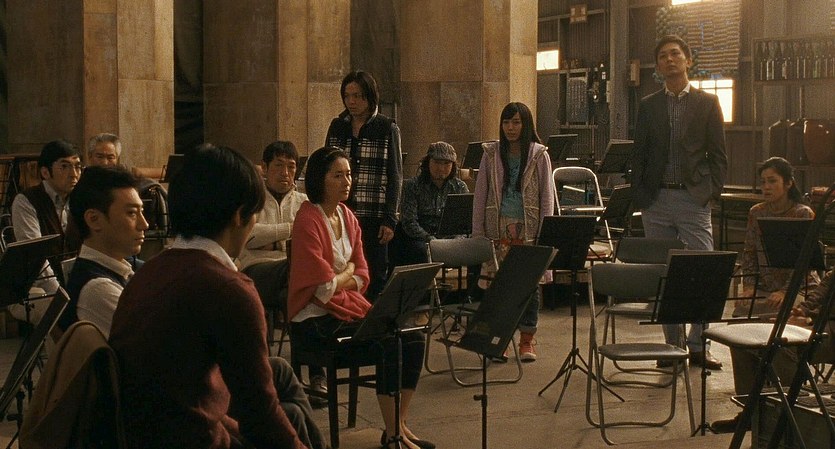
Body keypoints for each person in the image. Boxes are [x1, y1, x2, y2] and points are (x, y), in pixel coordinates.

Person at [109, 144, 325, 449]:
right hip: (191, 438)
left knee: (286, 395)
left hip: (144, 431)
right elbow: (258, 415)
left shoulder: (148, 273)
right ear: (239, 216)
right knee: (285, 415)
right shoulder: (229, 289)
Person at [288, 147, 433, 449]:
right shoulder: (307, 219)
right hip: (314, 321)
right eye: (338, 175)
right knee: (388, 341)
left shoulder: (348, 216)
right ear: (320, 179)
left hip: (345, 310)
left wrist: (342, 277)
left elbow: (364, 275)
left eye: (349, 174)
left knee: (414, 338)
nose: (347, 181)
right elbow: (322, 289)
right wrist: (347, 273)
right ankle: (393, 435)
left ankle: (398, 425)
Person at [631, 35, 728, 370]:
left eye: (675, 54)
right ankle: (672, 347)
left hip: (693, 198)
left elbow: (718, 155)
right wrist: (641, 194)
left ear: (688, 60)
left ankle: (699, 344)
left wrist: (711, 192)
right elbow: (639, 154)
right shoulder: (649, 105)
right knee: (664, 273)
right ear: (658, 66)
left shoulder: (707, 103)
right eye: (663, 56)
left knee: (703, 269)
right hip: (656, 199)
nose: (669, 59)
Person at [237, 141, 326, 404]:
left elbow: (318, 240)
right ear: (264, 168)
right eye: (278, 166)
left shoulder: (305, 202)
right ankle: (305, 376)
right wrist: (292, 230)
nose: (285, 173)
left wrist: (273, 240)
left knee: (298, 294)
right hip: (256, 270)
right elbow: (249, 236)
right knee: (301, 277)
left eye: (291, 167)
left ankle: (301, 377)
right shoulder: (252, 198)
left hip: (291, 277)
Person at [472, 102, 554, 362]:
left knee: (529, 287)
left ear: (525, 124)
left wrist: (545, 233)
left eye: (516, 122)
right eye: (506, 122)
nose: (510, 128)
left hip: (529, 228)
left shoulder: (539, 155)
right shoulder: (491, 154)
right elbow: (480, 195)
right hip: (497, 228)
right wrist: (478, 233)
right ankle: (500, 339)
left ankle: (527, 340)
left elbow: (547, 197)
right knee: (498, 288)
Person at [712, 269, 835, 433]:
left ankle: (787, 417)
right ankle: (751, 413)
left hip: (829, 327)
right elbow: (820, 292)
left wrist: (809, 318)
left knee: (782, 346)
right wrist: (800, 311)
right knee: (745, 343)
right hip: (819, 321)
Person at [325, 70, 402, 301]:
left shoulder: (387, 128)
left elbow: (395, 175)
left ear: (369, 96)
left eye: (357, 96)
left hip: (374, 212)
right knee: (344, 270)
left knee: (375, 274)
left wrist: (390, 218)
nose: (352, 102)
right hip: (341, 212)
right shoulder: (338, 126)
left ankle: (372, 319)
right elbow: (325, 167)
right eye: (347, 96)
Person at [59, 166, 148, 337]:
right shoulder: (97, 289)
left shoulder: (119, 270)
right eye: (131, 213)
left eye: (141, 212)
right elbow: (154, 346)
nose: (144, 224)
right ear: (94, 220)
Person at [733, 157, 819, 319]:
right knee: (742, 311)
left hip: (800, 287)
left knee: (783, 312)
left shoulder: (802, 213)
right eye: (763, 182)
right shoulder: (756, 212)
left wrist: (785, 291)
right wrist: (749, 287)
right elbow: (749, 253)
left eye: (772, 181)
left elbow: (805, 262)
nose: (766, 187)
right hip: (765, 286)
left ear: (788, 183)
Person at [11, 140, 83, 296]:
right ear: (45, 172)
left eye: (77, 166)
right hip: (40, 287)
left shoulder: (80, 199)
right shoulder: (27, 201)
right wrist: (61, 296)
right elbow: (36, 258)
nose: (74, 174)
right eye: (64, 166)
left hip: (75, 281)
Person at [393, 141, 469, 266]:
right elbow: (409, 222)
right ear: (428, 162)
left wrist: (457, 239)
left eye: (447, 164)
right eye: (437, 162)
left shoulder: (459, 187)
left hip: (450, 238)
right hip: (421, 238)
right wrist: (430, 239)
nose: (441, 168)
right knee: (419, 251)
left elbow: (464, 221)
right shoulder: (413, 185)